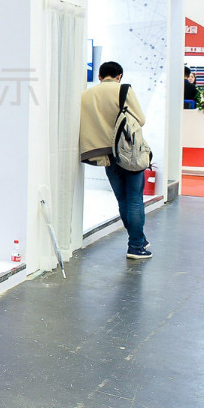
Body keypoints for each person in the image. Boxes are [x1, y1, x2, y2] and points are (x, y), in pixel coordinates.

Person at [79, 61, 150, 260]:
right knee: (135, 199)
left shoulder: (87, 94)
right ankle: (136, 246)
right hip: (128, 152)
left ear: (100, 76)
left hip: (106, 155)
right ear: (119, 76)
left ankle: (139, 239)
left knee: (123, 200)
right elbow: (140, 119)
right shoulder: (123, 89)